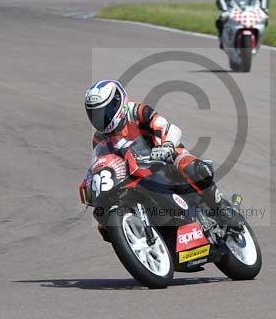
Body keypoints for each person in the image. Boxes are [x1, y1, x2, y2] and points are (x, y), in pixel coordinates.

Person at [84, 79, 245, 242]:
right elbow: (104, 163)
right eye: (94, 113)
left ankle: (222, 209)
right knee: (104, 227)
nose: (100, 118)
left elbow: (168, 127)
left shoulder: (137, 111)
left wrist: (166, 146)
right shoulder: (99, 139)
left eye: (105, 111)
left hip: (164, 159)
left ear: (118, 101)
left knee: (192, 168)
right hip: (135, 176)